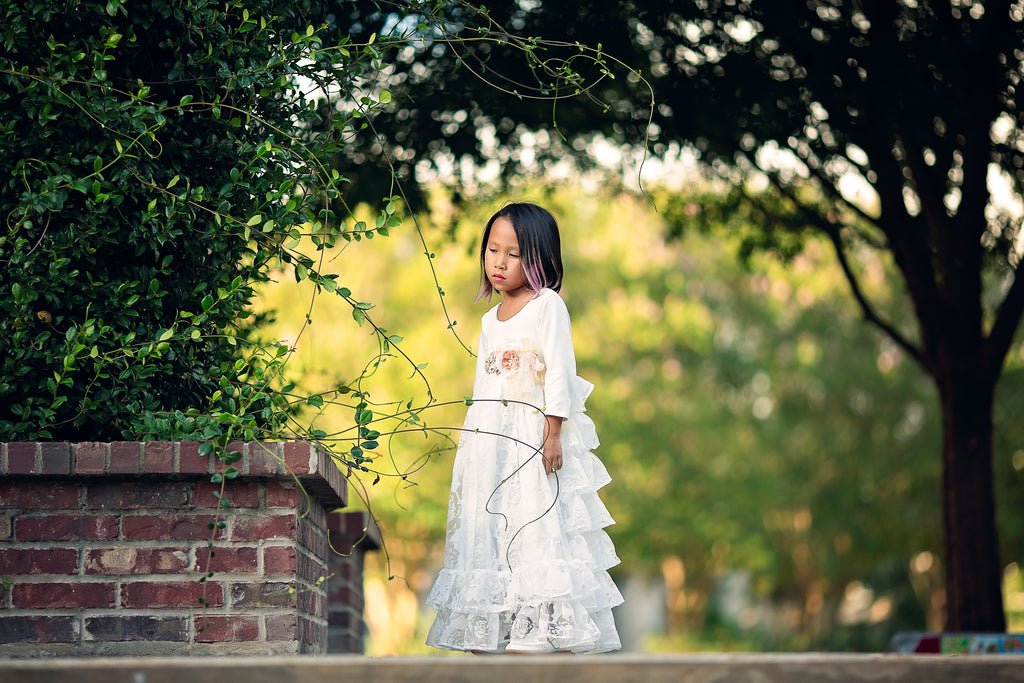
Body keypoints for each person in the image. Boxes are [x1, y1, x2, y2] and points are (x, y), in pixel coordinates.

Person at [425, 202, 623, 654]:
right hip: (492, 442)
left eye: (513, 254)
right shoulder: (487, 321)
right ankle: (492, 628)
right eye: (493, 250)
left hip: (532, 437)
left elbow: (559, 372)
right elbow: (482, 387)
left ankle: (542, 629)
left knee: (537, 522)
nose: (499, 262)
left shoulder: (546, 306)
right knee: (494, 527)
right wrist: (475, 446)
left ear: (539, 257)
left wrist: (553, 433)